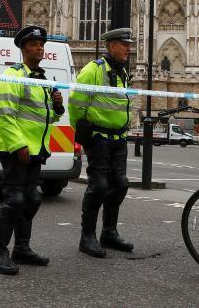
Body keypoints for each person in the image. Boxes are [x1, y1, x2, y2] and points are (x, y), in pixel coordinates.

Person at [0, 25, 65, 276]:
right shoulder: (12, 75)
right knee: (15, 200)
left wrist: (57, 108)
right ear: (23, 49)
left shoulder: (42, 79)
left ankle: (22, 248)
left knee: (32, 198)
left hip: (36, 150)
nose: (40, 48)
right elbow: (3, 114)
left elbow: (46, 119)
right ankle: (0, 253)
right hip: (16, 149)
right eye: (34, 44)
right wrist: (17, 144)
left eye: (42, 44)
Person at [69, 27, 135, 258]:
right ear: (111, 46)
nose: (129, 48)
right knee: (99, 186)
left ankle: (109, 232)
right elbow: (76, 103)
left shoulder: (122, 71)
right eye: (124, 44)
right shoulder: (92, 70)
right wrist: (84, 131)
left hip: (119, 138)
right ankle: (87, 237)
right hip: (99, 138)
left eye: (129, 44)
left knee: (121, 184)